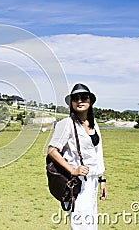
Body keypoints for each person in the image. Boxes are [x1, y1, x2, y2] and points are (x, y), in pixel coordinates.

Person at [47, 83, 107, 229]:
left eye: (84, 97)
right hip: (77, 183)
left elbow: (97, 153)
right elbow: (52, 150)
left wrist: (102, 179)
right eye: (76, 98)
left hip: (92, 181)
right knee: (81, 224)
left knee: (91, 224)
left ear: (90, 101)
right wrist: (73, 170)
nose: (80, 100)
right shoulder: (67, 124)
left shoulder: (93, 125)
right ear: (71, 103)